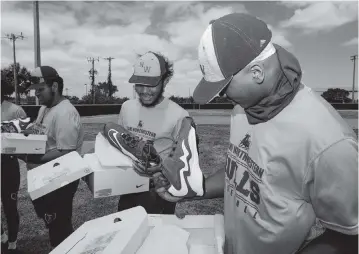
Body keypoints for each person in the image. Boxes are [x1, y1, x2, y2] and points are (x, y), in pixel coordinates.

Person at [155, 13, 358, 254]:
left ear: (257, 73)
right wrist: (195, 189)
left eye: (223, 87)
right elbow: (241, 170)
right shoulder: (242, 109)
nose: (222, 95)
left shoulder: (330, 142)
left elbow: (348, 237)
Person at [115, 51, 199, 214]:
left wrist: (163, 170)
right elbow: (121, 145)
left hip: (158, 193)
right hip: (128, 187)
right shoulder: (127, 107)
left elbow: (186, 164)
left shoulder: (179, 115)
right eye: (139, 84)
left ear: (165, 81)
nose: (144, 91)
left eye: (151, 85)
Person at [24, 66, 84, 248]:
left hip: (61, 180)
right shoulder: (45, 108)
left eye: (40, 89)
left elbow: (67, 152)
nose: (36, 94)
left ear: (55, 87)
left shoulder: (65, 112)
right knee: (52, 223)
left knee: (60, 230)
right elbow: (36, 129)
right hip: (46, 178)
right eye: (35, 90)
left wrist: (31, 158)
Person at [1, 82, 27, 254]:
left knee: (10, 206)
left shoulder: (16, 111)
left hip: (8, 165)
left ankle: (12, 243)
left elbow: (26, 139)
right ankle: (2, 236)